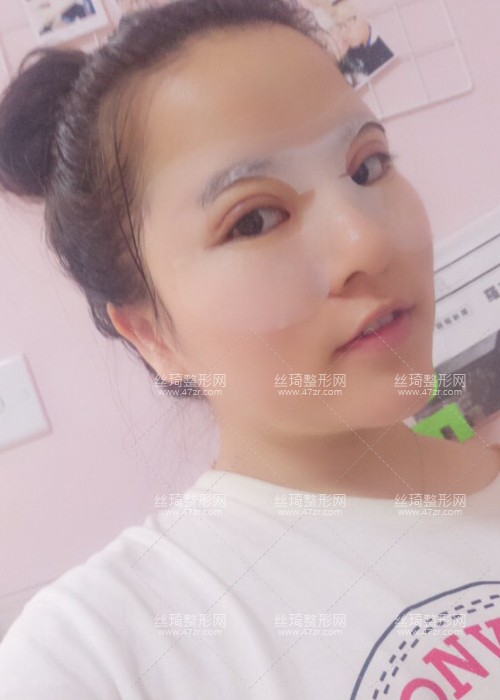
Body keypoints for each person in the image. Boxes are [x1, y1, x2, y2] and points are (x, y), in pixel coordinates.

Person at [0, 0, 499, 697]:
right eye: (256, 219)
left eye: (367, 166)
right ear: (152, 335)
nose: (368, 242)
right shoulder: (102, 649)